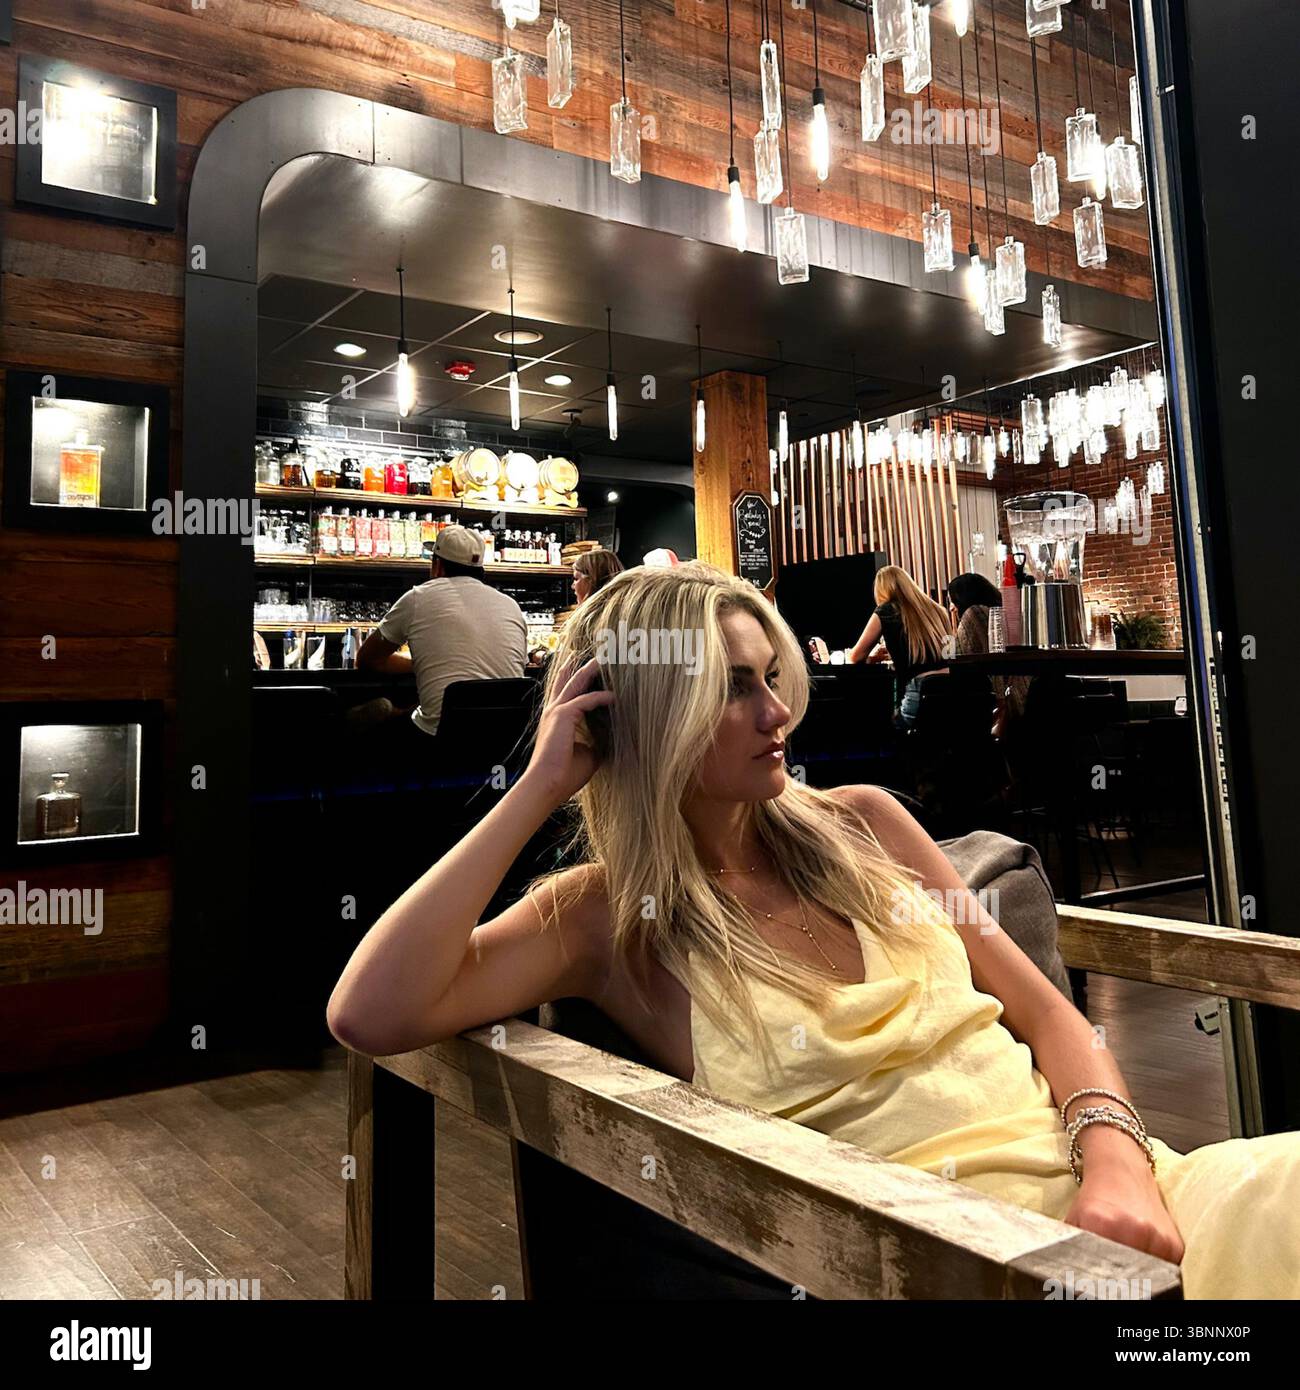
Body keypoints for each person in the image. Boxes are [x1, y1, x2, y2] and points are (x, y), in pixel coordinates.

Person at [328, 561, 1300, 1299]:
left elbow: (1049, 1014)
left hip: (1135, 1198)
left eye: (771, 676)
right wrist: (539, 786)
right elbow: (369, 1011)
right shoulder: (605, 917)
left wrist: (1119, 1167)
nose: (778, 711)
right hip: (960, 1260)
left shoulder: (868, 823)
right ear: (652, 713)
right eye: (733, 687)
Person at [356, 525, 527, 737]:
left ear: (437, 566)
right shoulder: (511, 605)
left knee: (383, 723)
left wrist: (420, 663)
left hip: (443, 739)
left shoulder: (417, 598)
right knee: (419, 710)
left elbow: (366, 660)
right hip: (508, 738)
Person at [847, 564, 951, 728]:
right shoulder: (939, 610)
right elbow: (949, 654)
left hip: (918, 695)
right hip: (951, 694)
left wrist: (872, 658)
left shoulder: (886, 611)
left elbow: (855, 657)